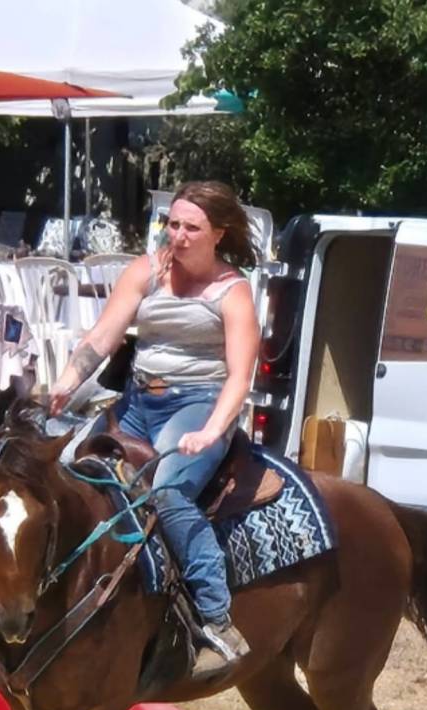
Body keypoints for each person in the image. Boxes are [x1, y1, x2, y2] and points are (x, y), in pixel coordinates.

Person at [50, 181, 261, 680]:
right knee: (59, 469)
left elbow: (239, 376)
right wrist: (67, 381)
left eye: (192, 227)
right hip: (138, 400)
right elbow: (104, 336)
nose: (179, 236)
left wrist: (212, 430)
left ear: (218, 234)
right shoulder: (146, 270)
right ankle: (49, 600)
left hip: (199, 403)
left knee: (167, 491)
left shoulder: (232, 291)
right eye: (174, 223)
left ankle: (216, 619)